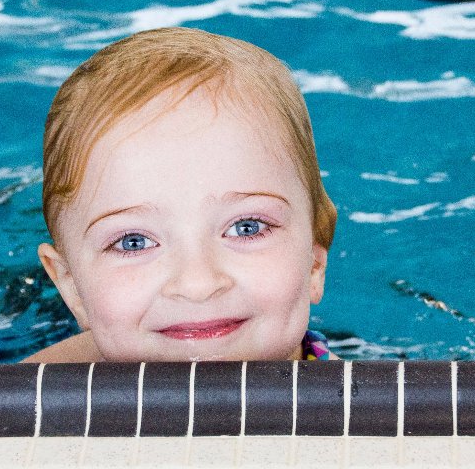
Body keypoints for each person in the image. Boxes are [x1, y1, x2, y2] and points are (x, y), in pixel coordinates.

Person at [22, 27, 338, 363]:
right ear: (71, 287)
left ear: (314, 260)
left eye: (247, 226)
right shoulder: (19, 404)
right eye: (132, 241)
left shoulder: (376, 406)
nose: (197, 285)